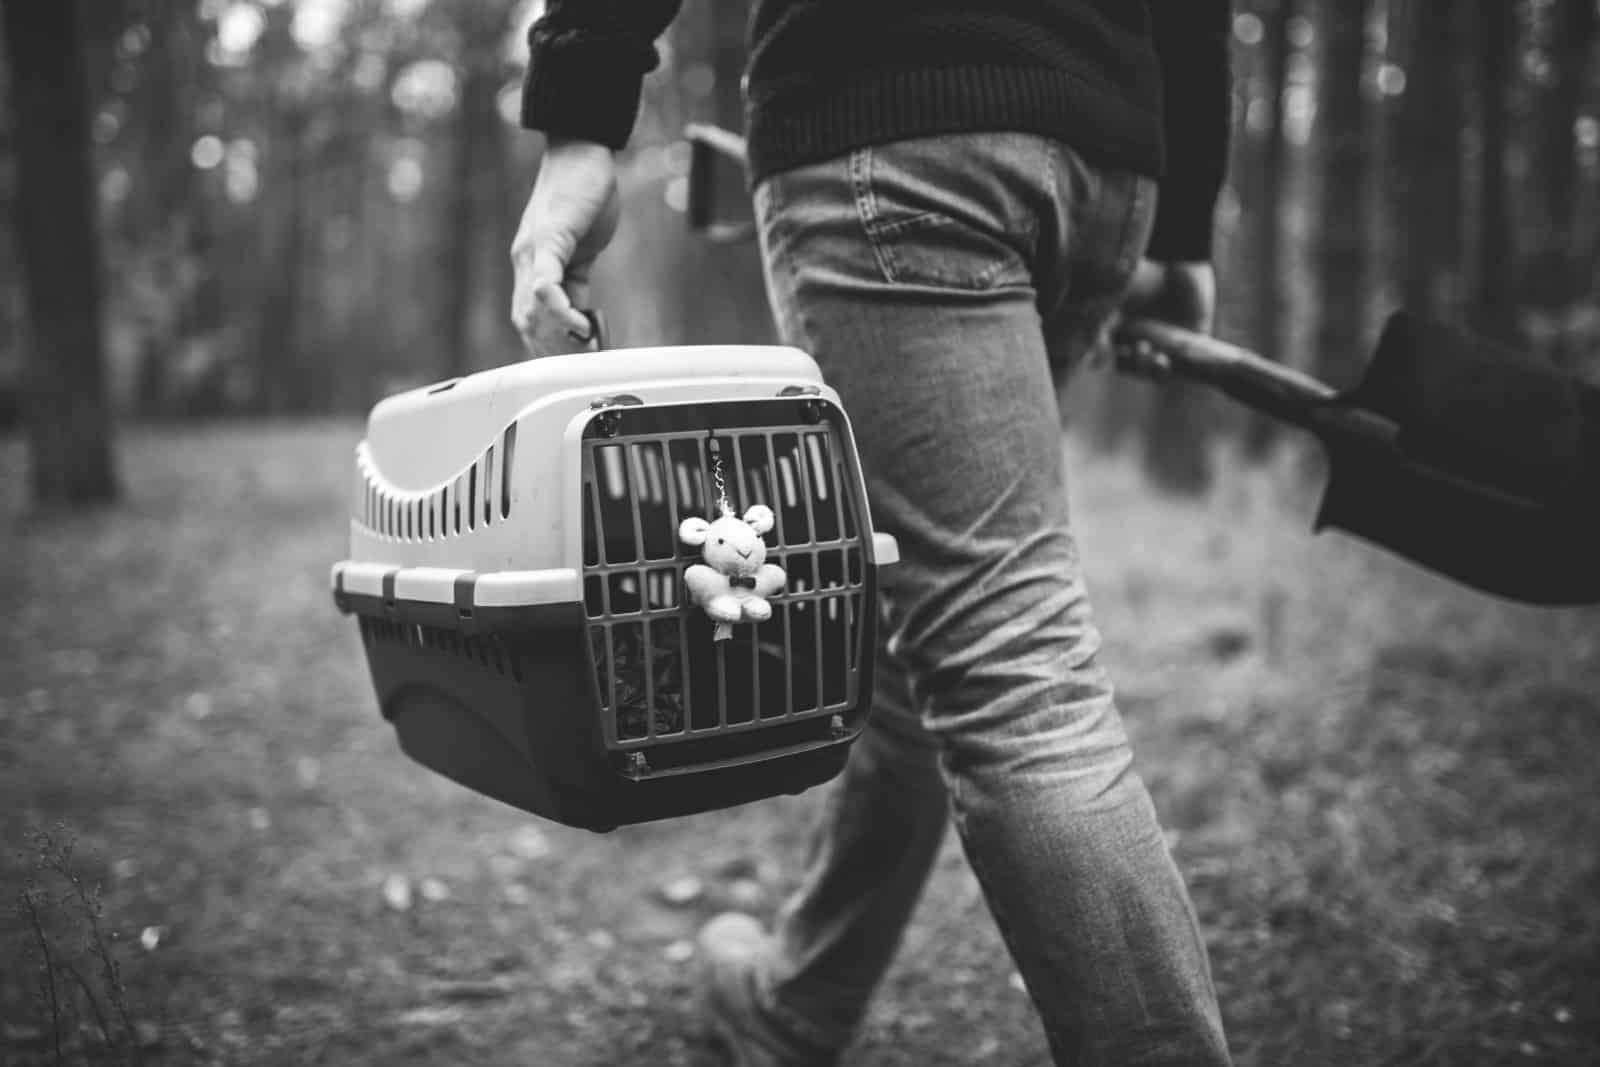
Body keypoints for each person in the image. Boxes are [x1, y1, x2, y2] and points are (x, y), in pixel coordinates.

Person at [511, 2, 1234, 1063]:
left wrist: (581, 119)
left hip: (894, 120)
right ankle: (794, 1004)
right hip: (1102, 153)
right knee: (928, 611)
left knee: (1006, 658)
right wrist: (1179, 228)